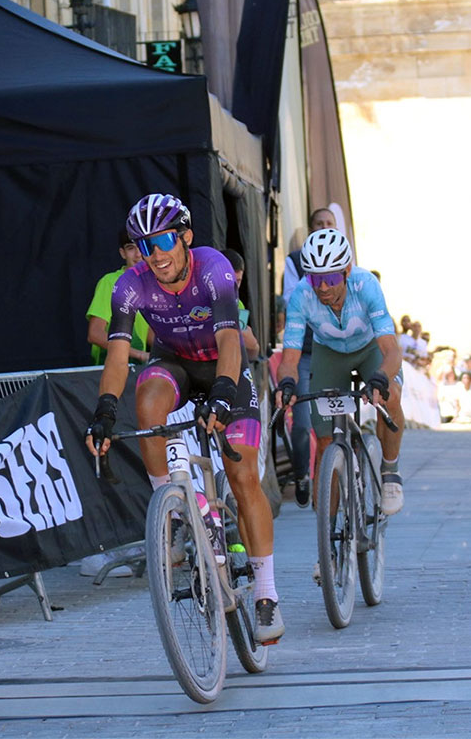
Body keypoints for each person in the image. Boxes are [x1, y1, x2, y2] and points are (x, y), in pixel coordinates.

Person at [86, 194, 284, 644]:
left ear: (186, 238)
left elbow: (232, 342)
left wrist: (223, 394)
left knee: (242, 474)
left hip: (222, 367)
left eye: (164, 241)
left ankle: (266, 594)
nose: (155, 253)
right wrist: (104, 410)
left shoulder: (213, 269)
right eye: (144, 244)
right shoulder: (129, 285)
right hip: (173, 363)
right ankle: (173, 514)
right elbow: (117, 358)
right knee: (147, 398)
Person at [274, 229, 406, 519]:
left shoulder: (366, 285)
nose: (322, 287)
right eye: (315, 278)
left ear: (346, 271)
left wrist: (381, 378)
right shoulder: (301, 296)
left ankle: (390, 471)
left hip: (369, 348)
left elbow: (392, 351)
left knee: (391, 395)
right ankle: (328, 553)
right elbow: (290, 357)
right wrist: (286, 383)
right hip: (330, 353)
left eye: (331, 278)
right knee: (324, 445)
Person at [280, 207, 338, 509]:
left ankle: (336, 477)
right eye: (319, 224)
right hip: (304, 352)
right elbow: (292, 302)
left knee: (334, 421)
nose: (324, 227)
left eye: (329, 223)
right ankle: (302, 474)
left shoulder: (346, 260)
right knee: (301, 421)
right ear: (311, 228)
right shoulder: (295, 261)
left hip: (337, 352)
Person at [86, 229, 150, 364]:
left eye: (142, 247)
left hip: (135, 373)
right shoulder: (109, 282)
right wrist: (139, 354)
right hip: (107, 367)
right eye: (131, 248)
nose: (138, 254)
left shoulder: (152, 284)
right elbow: (95, 334)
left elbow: (150, 336)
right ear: (123, 253)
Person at [222, 248, 261, 358]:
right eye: (229, 281)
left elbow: (250, 352)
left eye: (238, 281)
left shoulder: (239, 305)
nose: (234, 287)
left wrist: (253, 345)